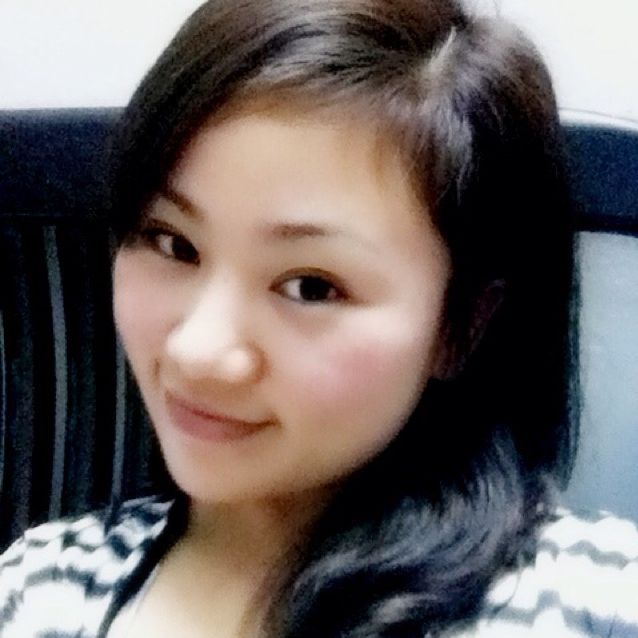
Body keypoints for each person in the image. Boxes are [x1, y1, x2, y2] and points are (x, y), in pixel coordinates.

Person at [1, 0, 636, 636]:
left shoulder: (593, 601)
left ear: (460, 328)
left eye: (311, 287)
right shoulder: (41, 587)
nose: (197, 350)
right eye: (173, 244)